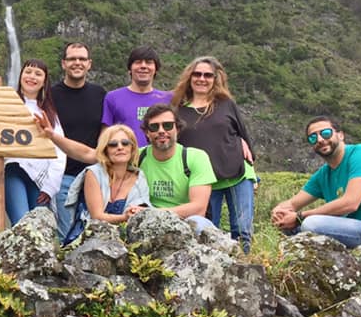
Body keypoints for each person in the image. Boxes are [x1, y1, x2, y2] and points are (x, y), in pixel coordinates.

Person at [38, 103, 215, 235]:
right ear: (147, 133)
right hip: (146, 224)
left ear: (177, 128)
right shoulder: (137, 157)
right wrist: (52, 135)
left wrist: (152, 213)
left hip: (177, 220)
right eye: (154, 127)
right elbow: (88, 153)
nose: (161, 131)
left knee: (200, 224)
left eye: (167, 125)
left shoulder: (195, 158)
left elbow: (199, 207)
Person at [271, 116, 361, 248]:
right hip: (359, 229)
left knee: (311, 223)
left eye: (326, 133)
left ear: (340, 135)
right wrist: (279, 212)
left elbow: (351, 203)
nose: (320, 139)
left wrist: (299, 217)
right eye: (313, 138)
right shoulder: (324, 174)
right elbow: (292, 204)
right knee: (289, 227)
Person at [172, 56, 257, 252]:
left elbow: (242, 135)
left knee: (242, 231)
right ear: (189, 77)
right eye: (197, 74)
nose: (202, 79)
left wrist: (253, 171)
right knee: (208, 231)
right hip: (204, 182)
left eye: (208, 75)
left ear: (215, 79)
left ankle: (246, 272)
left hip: (238, 175)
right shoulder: (178, 111)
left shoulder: (227, 105)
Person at [51, 42, 107, 242]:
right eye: (72, 59)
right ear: (63, 64)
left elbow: (106, 132)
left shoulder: (100, 94)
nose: (77, 63)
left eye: (82, 59)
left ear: (89, 64)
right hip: (62, 176)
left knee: (95, 234)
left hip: (95, 175)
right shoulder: (50, 95)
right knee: (66, 235)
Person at [4, 59, 66, 225]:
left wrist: (50, 187)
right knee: (21, 222)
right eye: (28, 72)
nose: (32, 77)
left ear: (44, 81)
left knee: (40, 226)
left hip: (40, 177)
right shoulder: (7, 104)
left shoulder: (49, 113)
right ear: (20, 75)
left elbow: (60, 149)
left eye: (38, 74)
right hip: (13, 169)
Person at [64, 125, 150, 235]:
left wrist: (136, 212)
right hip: (89, 234)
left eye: (125, 143)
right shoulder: (93, 173)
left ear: (132, 148)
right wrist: (124, 217)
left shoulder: (139, 176)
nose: (120, 147)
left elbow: (139, 212)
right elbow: (97, 216)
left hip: (125, 236)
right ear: (105, 150)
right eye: (113, 144)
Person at [101, 46, 172, 146]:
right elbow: (106, 134)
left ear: (156, 69)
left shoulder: (167, 99)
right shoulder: (113, 97)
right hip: (125, 159)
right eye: (138, 62)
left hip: (159, 158)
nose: (143, 66)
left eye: (148, 62)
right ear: (129, 69)